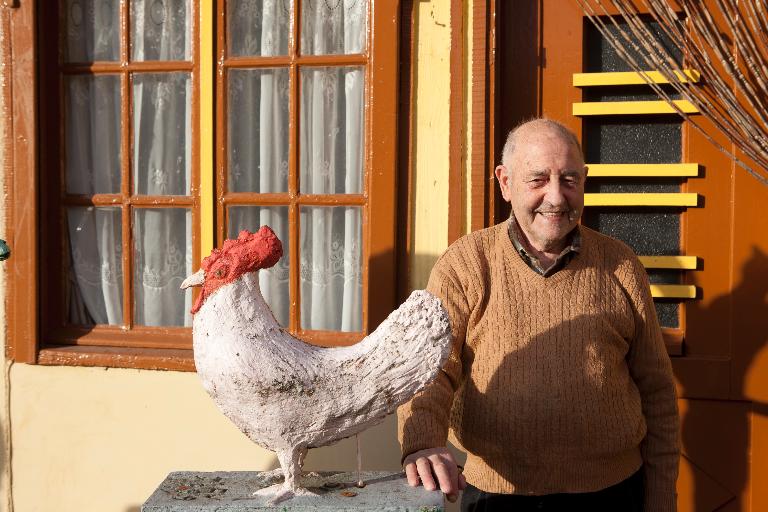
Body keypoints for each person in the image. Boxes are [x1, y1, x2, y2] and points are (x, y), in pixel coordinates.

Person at [397, 118, 680, 511]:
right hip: (497, 496)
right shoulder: (466, 263)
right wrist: (423, 441)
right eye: (537, 180)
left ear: (584, 180)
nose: (556, 197)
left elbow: (657, 391)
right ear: (505, 182)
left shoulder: (621, 265)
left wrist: (662, 497)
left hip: (613, 494)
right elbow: (430, 371)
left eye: (568, 179)